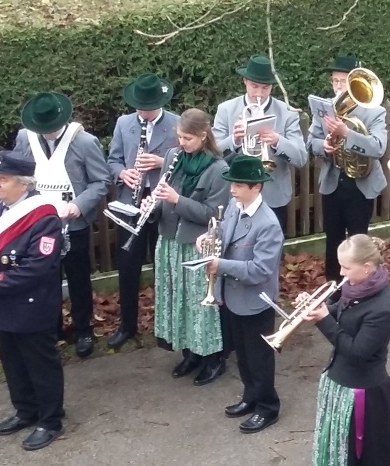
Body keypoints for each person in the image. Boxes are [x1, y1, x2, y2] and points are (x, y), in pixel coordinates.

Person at [0, 150, 66, 451]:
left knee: (40, 364)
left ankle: (50, 420)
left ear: (23, 184)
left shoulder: (44, 217)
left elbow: (36, 268)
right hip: (1, 302)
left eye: (2, 179)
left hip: (31, 304)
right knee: (12, 361)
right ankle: (25, 410)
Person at [13, 92, 110, 357]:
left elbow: (101, 181)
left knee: (78, 278)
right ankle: (51, 328)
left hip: (73, 223)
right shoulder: (25, 138)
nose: (47, 134)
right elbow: (19, 174)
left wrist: (78, 205)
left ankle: (83, 330)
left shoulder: (85, 142)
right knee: (44, 279)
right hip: (37, 223)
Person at [140, 108, 230, 385]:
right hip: (169, 241)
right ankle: (190, 352)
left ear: (204, 136)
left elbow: (212, 214)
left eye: (188, 138)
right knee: (177, 300)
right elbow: (163, 197)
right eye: (179, 136)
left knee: (200, 304)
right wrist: (152, 205)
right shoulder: (171, 156)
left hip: (197, 245)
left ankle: (213, 359)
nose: (182, 143)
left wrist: (177, 199)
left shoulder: (219, 169)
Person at [200, 155, 283, 434]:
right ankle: (250, 397)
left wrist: (219, 265)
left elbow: (260, 270)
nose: (232, 189)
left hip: (255, 302)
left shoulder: (268, 224)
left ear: (256, 187)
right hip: (232, 298)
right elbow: (222, 233)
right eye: (232, 184)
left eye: (238, 185)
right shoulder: (236, 208)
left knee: (259, 358)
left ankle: (268, 407)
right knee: (243, 357)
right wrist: (206, 238)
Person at [300, 234, 390, 466]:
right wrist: (321, 308)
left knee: (360, 456)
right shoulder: (356, 286)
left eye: (346, 267)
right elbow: (342, 311)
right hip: (340, 381)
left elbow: (357, 352)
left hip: (363, 391)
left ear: (366, 267)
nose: (341, 273)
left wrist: (323, 320)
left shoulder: (382, 309)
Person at [107, 73, 180, 349]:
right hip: (130, 205)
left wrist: (161, 162)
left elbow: (186, 162)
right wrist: (123, 173)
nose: (143, 113)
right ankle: (127, 326)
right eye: (139, 107)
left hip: (162, 205)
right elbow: (112, 159)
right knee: (127, 268)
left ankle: (167, 327)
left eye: (148, 108)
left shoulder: (175, 123)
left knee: (164, 267)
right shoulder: (124, 123)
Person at [307, 54, 388, 283]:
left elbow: (378, 147)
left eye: (343, 81)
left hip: (361, 185)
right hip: (333, 182)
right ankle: (334, 285)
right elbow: (310, 142)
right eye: (335, 81)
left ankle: (360, 285)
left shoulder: (374, 111)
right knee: (332, 237)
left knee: (358, 239)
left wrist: (347, 134)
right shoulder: (325, 108)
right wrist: (323, 146)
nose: (338, 86)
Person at [212, 54, 308, 233]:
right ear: (245, 81)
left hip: (274, 196)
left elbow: (301, 158)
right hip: (236, 196)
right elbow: (213, 154)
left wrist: (277, 140)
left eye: (265, 88)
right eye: (254, 86)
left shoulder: (287, 113)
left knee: (272, 253)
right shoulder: (226, 110)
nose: (259, 93)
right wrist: (234, 139)